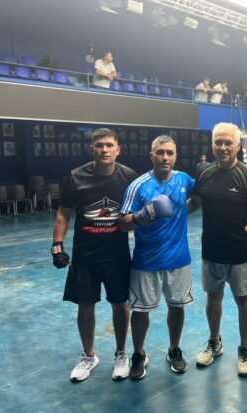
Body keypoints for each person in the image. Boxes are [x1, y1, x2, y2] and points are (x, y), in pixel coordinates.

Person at [51, 128, 137, 382]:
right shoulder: (75, 177)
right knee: (85, 306)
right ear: (92, 149)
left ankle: (121, 353)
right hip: (85, 255)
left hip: (117, 255)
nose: (104, 149)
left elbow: (136, 213)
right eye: (99, 145)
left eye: (109, 145)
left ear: (118, 150)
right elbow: (63, 213)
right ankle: (89, 355)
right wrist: (57, 246)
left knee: (120, 305)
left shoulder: (128, 177)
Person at [119, 135, 196, 380]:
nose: (165, 157)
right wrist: (145, 214)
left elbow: (200, 199)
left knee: (177, 307)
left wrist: (183, 209)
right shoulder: (139, 185)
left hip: (179, 259)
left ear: (176, 156)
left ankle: (174, 349)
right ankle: (138, 354)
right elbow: (122, 223)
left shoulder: (184, 180)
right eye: (160, 152)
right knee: (141, 311)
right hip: (147, 260)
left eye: (170, 153)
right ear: (151, 155)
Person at [192, 122, 247, 377]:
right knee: (213, 298)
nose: (223, 147)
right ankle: (215, 342)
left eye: (228, 143)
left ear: (237, 145)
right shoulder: (204, 173)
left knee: (243, 300)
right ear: (212, 144)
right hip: (211, 249)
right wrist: (168, 210)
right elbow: (194, 203)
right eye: (218, 142)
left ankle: (244, 348)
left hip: (240, 252)